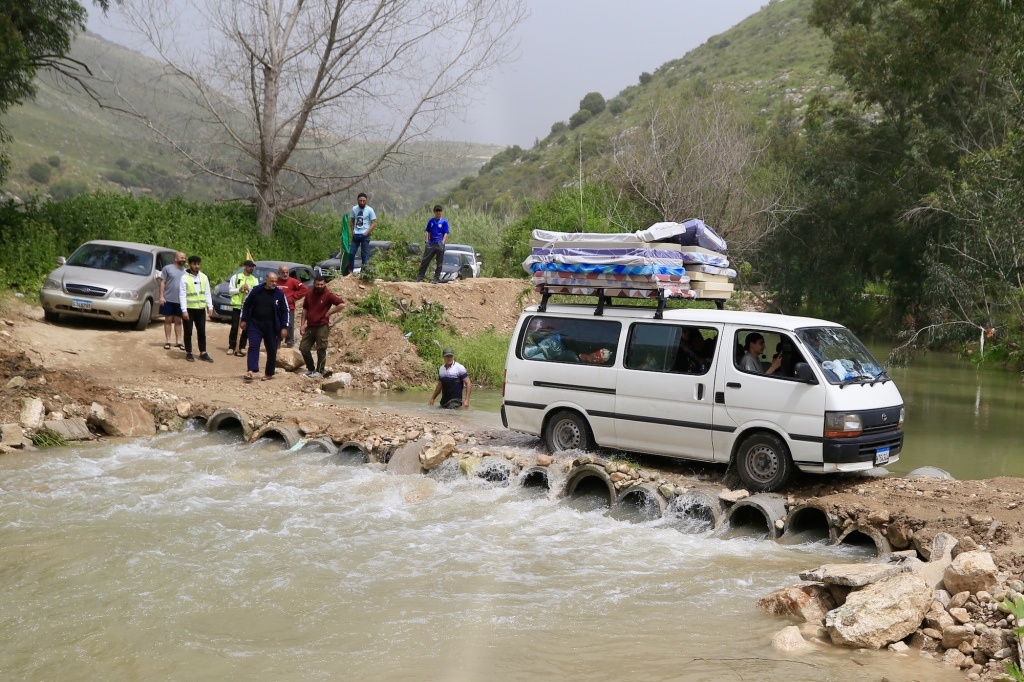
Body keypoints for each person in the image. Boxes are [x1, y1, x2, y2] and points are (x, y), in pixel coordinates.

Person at [239, 272, 290, 381]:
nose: (274, 283)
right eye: (272, 281)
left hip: (272, 325)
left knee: (271, 350)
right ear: (266, 279)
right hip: (255, 323)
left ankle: (269, 373)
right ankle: (250, 371)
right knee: (253, 345)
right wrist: (243, 319)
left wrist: (284, 327)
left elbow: (285, 311)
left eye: (276, 281)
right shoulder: (256, 290)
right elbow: (246, 304)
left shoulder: (280, 294)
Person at [298, 274, 345, 378]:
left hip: (322, 325)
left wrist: (329, 313)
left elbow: (341, 304)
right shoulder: (309, 294)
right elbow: (305, 309)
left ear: (325, 284)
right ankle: (310, 369)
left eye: (321, 284)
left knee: (321, 348)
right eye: (317, 284)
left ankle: (320, 371)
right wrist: (302, 325)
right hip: (310, 325)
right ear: (314, 283)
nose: (319, 286)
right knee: (303, 348)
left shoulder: (328, 295)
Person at [178, 255, 214, 363]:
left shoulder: (203, 277)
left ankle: (203, 352)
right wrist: (184, 310)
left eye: (198, 264)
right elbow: (182, 295)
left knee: (202, 331)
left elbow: (207, 292)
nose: (196, 266)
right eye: (194, 264)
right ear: (190, 264)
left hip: (200, 309)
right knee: (188, 331)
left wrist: (210, 306)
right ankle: (189, 352)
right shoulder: (185, 278)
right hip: (189, 309)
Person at [227, 259, 258, 356]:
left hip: (247, 307)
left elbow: (256, 294)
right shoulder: (236, 277)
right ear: (245, 266)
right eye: (249, 266)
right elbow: (230, 291)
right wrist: (239, 289)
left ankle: (242, 346)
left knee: (245, 328)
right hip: (237, 305)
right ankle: (232, 346)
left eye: (252, 266)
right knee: (235, 327)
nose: (251, 268)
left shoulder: (254, 280)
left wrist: (249, 291)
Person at [158, 251, 187, 351]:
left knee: (178, 321)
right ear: (175, 258)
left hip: (180, 300)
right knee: (168, 320)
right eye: (181, 258)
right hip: (168, 299)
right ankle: (168, 341)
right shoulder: (167, 268)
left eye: (184, 258)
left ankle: (179, 342)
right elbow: (163, 282)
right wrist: (161, 296)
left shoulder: (186, 271)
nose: (183, 259)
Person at [344, 192, 377, 276]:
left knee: (364, 254)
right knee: (351, 253)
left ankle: (364, 273)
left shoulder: (370, 210)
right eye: (360, 200)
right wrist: (352, 231)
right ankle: (350, 272)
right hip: (356, 234)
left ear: (366, 201)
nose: (362, 202)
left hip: (365, 235)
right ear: (357, 200)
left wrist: (366, 233)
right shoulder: (354, 209)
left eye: (364, 201)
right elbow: (352, 220)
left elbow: (374, 223)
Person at [415, 204, 449, 283]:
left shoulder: (444, 222)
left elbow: (446, 233)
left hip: (439, 243)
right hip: (431, 243)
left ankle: (436, 278)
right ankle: (420, 277)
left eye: (439, 211)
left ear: (441, 212)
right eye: (436, 211)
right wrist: (426, 241)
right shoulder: (431, 221)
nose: (438, 212)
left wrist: (443, 243)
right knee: (425, 260)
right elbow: (427, 231)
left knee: (439, 262)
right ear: (434, 212)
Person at [276, 264, 308, 347]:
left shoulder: (293, 281)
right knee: (276, 325)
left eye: (287, 272)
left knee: (289, 325)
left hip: (289, 308)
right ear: (279, 272)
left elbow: (304, 289)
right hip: (276, 308)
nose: (285, 274)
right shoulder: (275, 281)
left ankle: (289, 343)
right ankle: (277, 344)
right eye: (283, 272)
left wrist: (294, 297)